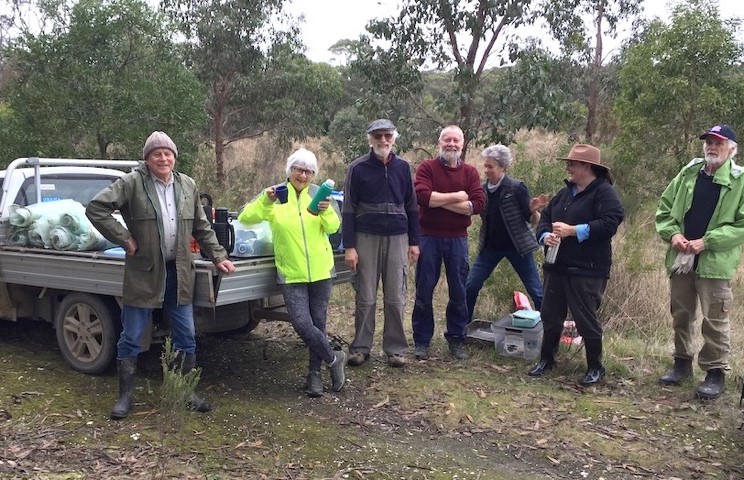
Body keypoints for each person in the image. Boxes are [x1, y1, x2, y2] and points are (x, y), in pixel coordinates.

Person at [86, 131, 236, 420]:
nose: (163, 158)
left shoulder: (187, 184)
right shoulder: (132, 182)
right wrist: (125, 239)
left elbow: (201, 227)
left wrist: (219, 256)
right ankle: (125, 397)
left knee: (186, 336)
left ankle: (184, 392)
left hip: (179, 272)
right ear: (147, 158)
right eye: (157, 154)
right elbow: (97, 208)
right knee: (132, 336)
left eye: (168, 153)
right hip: (144, 272)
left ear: (174, 157)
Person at [237, 148, 347, 398]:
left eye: (309, 171)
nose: (303, 175)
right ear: (290, 170)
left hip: (321, 270)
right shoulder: (276, 195)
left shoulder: (319, 194)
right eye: (299, 170)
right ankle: (334, 359)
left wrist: (326, 210)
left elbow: (333, 227)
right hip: (291, 272)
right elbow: (245, 217)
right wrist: (266, 200)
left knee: (318, 323)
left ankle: (314, 375)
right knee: (302, 324)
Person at [655, 125, 744, 400]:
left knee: (715, 318)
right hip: (681, 257)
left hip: (714, 262)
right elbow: (664, 210)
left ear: (732, 149)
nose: (712, 147)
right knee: (681, 313)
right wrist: (674, 234)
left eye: (718, 143)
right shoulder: (689, 172)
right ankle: (681, 363)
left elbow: (741, 226)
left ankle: (715, 372)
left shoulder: (740, 180)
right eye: (708, 142)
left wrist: (707, 241)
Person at [527, 144, 624, 386]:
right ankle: (547, 360)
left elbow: (610, 222)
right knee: (550, 316)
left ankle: (595, 367)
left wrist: (574, 230)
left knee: (585, 318)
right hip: (556, 266)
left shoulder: (604, 193)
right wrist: (545, 236)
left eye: (572, 164)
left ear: (587, 167)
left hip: (588, 269)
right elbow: (546, 218)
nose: (568, 168)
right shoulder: (564, 193)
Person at [342, 119, 420, 368]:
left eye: (387, 135)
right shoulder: (357, 168)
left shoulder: (403, 167)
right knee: (365, 295)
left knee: (396, 296)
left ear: (394, 138)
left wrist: (414, 242)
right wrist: (349, 246)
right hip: (366, 237)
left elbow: (412, 206)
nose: (383, 140)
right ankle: (360, 347)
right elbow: (348, 208)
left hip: (398, 237)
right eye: (378, 136)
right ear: (370, 140)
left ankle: (395, 349)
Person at [411, 125, 486, 361]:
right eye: (447, 140)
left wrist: (439, 201)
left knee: (459, 290)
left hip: (457, 240)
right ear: (439, 142)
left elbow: (478, 204)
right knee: (424, 290)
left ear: (462, 144)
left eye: (456, 140)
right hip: (428, 237)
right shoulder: (427, 168)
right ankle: (422, 341)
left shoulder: (470, 173)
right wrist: (459, 197)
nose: (451, 144)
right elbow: (422, 197)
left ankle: (456, 339)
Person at [465, 144, 547, 321]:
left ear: (503, 167)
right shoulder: (482, 189)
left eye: (491, 166)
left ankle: (548, 330)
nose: (486, 170)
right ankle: (463, 328)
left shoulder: (516, 188)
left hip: (518, 248)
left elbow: (533, 219)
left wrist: (534, 210)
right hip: (490, 247)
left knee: (537, 292)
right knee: (470, 286)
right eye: (485, 166)